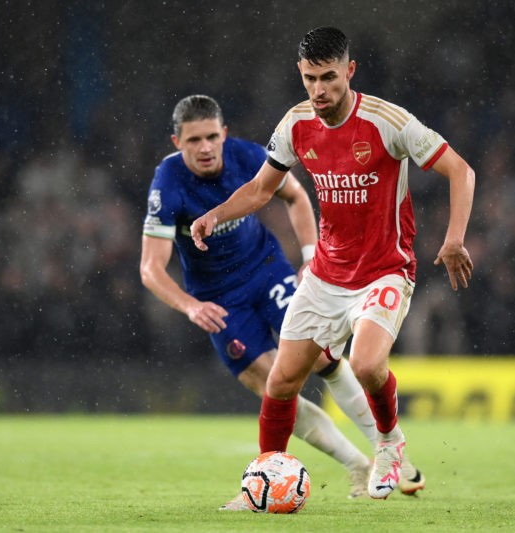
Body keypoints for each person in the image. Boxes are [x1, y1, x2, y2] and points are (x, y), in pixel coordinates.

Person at [190, 27, 475, 499]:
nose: (319, 90)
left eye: (328, 78)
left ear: (350, 71)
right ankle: (260, 483)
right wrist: (214, 216)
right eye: (309, 79)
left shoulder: (389, 122)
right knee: (281, 381)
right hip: (325, 275)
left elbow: (460, 170)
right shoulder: (297, 124)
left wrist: (454, 238)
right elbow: (263, 189)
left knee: (365, 364)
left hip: (385, 269)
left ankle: (389, 444)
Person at [139, 94, 426, 509]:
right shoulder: (167, 184)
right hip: (219, 300)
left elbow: (294, 196)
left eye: (212, 137)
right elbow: (151, 268)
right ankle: (354, 465)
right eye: (193, 140)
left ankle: (394, 454)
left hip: (267, 271)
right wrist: (189, 306)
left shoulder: (248, 156)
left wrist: (311, 258)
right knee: (272, 383)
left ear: (225, 133)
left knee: (324, 360)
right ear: (176, 141)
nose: (204, 148)